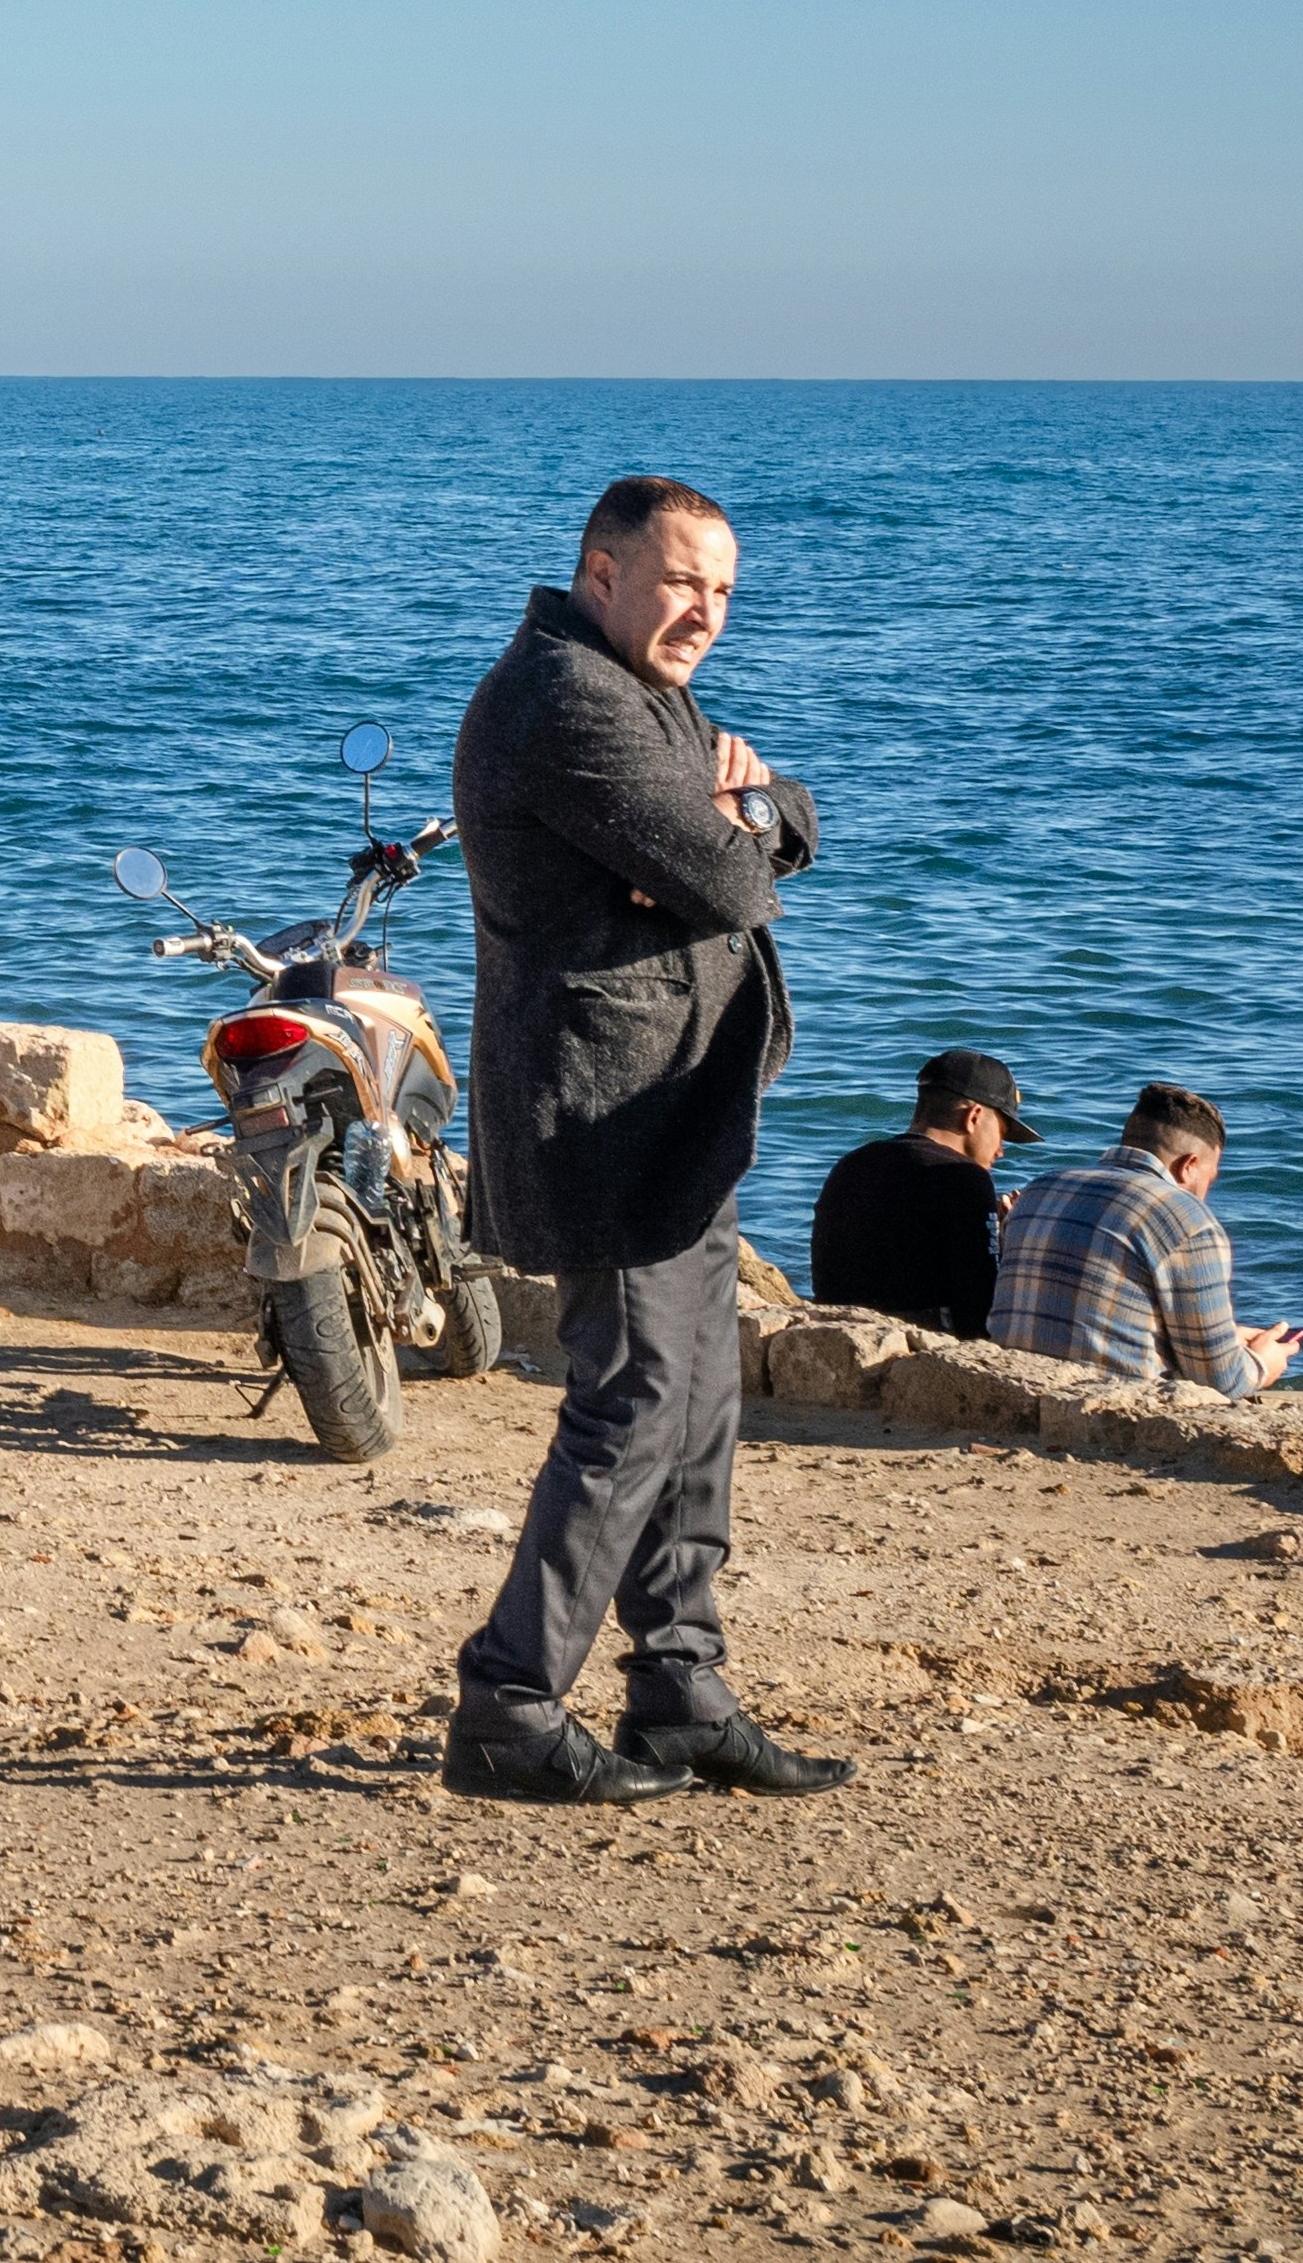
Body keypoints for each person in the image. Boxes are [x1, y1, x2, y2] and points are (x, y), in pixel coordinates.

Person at [447, 472, 853, 1804]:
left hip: (679, 1102)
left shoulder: (639, 691)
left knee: (696, 1404)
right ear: (601, 570)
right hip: (600, 1108)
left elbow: (768, 813)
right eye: (682, 580)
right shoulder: (566, 699)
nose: (705, 612)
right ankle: (508, 1703)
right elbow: (741, 877)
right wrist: (727, 831)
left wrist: (734, 814)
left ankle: (677, 1683)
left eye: (723, 590)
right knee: (625, 1403)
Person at [993, 1084, 1303, 1398]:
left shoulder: (1040, 1190)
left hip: (1014, 1393)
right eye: (1210, 1179)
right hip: (1109, 1411)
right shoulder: (1187, 1219)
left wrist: (1225, 1339)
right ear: (1189, 1166)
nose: (1207, 1194)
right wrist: (1264, 1361)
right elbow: (1222, 1382)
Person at [808, 1051, 1027, 1333]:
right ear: (974, 1117)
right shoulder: (963, 1178)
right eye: (1002, 1132)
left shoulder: (853, 1163)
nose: (1001, 1150)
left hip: (832, 1330)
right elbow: (979, 1308)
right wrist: (1013, 1247)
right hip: (915, 1346)